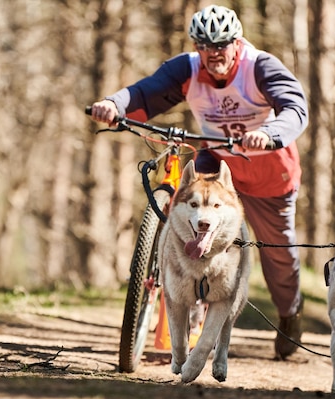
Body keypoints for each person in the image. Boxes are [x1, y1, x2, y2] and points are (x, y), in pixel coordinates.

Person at [90, 5, 309, 360]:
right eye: (205, 46)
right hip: (217, 164)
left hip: (269, 172)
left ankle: (290, 313)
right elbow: (146, 93)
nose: (214, 54)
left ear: (236, 43)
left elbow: (295, 108)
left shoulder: (261, 67)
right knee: (190, 225)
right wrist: (113, 105)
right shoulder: (187, 68)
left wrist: (268, 134)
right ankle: (191, 315)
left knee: (279, 255)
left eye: (222, 45)